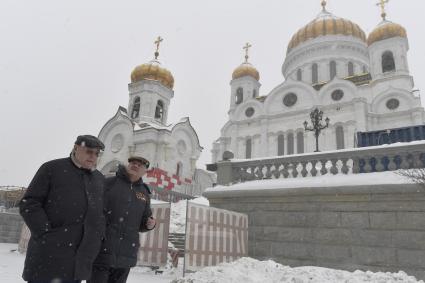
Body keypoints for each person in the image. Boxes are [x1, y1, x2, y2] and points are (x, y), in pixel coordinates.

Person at [19, 135, 106, 283]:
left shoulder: (99, 178)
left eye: (97, 153)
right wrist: (46, 233)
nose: (93, 156)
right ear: (76, 148)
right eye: (89, 151)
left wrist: (98, 237)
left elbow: (100, 212)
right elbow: (30, 203)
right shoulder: (52, 168)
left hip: (80, 261)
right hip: (48, 256)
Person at [89, 156, 156, 283]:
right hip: (102, 252)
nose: (135, 165)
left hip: (126, 256)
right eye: (133, 163)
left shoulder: (144, 193)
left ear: (145, 171)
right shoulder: (108, 183)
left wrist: (150, 224)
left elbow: (144, 221)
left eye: (139, 165)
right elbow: (94, 211)